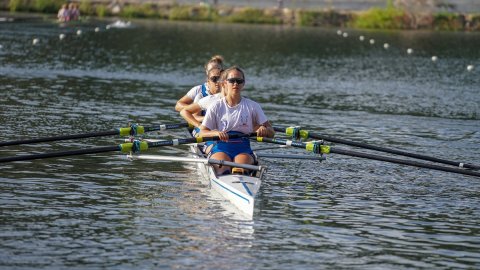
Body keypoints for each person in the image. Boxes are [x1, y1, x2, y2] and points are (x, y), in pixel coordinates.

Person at [198, 66, 275, 175]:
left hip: (243, 149)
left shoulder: (253, 106)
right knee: (222, 171)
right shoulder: (216, 106)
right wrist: (216, 132)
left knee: (240, 172)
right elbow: (202, 133)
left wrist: (265, 130)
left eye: (239, 81)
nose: (235, 84)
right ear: (224, 83)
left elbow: (271, 132)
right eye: (232, 81)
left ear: (243, 84)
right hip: (221, 148)